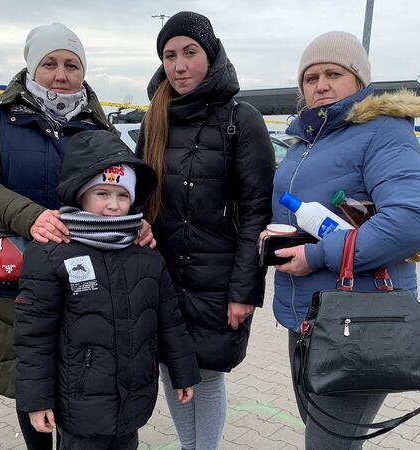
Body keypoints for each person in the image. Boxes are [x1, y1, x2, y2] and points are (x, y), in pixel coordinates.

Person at [0, 22, 153, 449]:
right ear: (32, 65)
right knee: (28, 378)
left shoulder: (99, 124)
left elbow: (121, 188)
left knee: (81, 372)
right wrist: (31, 217)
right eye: (50, 63)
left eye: (71, 64)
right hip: (16, 265)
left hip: (85, 277)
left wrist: (135, 220)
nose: (61, 74)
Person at [268, 31, 420, 449]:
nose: (320, 85)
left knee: (328, 444)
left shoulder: (383, 131)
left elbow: (412, 218)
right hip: (309, 318)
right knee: (321, 433)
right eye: (310, 77)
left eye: (333, 74)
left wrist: (319, 254)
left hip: (358, 320)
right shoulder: (304, 142)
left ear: (359, 81)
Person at [135, 11, 275, 450]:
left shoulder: (242, 118)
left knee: (208, 374)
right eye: (170, 55)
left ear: (210, 55)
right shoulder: (155, 117)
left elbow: (257, 212)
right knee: (172, 370)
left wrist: (244, 290)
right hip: (162, 276)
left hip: (218, 280)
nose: (179, 66)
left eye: (190, 53)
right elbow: (138, 194)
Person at [15, 130, 200, 450]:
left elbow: (169, 321)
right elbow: (34, 337)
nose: (114, 205)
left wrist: (184, 372)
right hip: (78, 405)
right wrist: (36, 400)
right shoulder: (50, 252)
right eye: (102, 193)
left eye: (122, 195)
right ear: (80, 194)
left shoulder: (146, 253)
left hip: (133, 402)